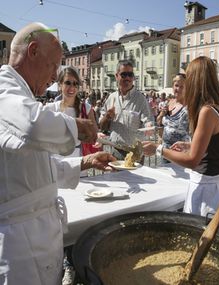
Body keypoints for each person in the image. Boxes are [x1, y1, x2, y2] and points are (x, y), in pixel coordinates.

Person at [0, 22, 116, 284]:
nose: (55, 76)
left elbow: (39, 167)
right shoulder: (3, 88)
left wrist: (85, 161)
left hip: (36, 235)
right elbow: (31, 127)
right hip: (17, 246)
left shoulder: (23, 95)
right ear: (32, 51)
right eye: (53, 66)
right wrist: (77, 127)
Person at [143, 56, 219, 223]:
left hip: (208, 191)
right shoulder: (218, 107)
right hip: (216, 186)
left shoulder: (207, 111)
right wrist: (190, 145)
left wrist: (158, 148)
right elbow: (215, 147)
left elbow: (193, 161)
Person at [99, 60, 154, 159]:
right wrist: (107, 117)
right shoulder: (111, 98)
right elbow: (102, 126)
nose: (128, 78)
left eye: (130, 74)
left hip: (134, 153)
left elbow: (148, 121)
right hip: (115, 151)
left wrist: (149, 126)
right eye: (124, 74)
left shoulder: (140, 99)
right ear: (117, 76)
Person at [45, 66, 98, 157]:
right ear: (60, 85)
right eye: (68, 83)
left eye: (75, 83)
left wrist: (98, 136)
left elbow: (95, 133)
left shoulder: (86, 108)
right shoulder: (50, 108)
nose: (72, 87)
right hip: (55, 156)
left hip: (78, 158)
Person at [156, 74, 190, 158]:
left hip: (180, 154)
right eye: (176, 85)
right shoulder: (168, 102)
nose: (178, 89)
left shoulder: (188, 107)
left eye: (182, 87)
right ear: (172, 86)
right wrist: (161, 115)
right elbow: (159, 122)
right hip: (164, 152)